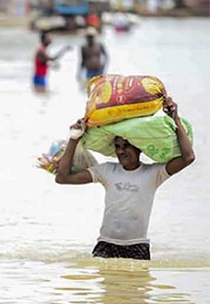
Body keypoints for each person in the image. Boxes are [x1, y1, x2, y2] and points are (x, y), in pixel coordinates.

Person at [55, 97, 195, 260]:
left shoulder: (154, 173)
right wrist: (74, 138)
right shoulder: (107, 170)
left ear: (139, 148)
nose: (121, 151)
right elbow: (62, 178)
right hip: (105, 245)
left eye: (126, 146)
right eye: (118, 146)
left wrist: (175, 119)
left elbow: (188, 157)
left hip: (137, 246)